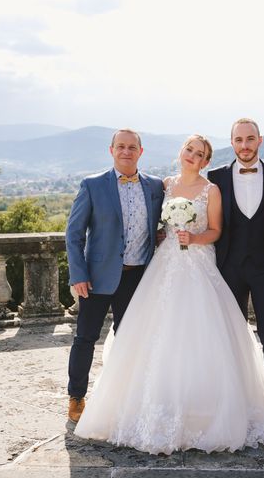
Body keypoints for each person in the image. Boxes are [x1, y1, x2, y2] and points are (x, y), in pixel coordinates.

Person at [74, 135, 264, 455]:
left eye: (199, 154)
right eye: (189, 150)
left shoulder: (211, 190)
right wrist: (163, 234)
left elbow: (216, 230)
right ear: (181, 152)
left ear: (206, 161)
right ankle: (105, 399)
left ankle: (204, 409)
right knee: (154, 334)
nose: (192, 156)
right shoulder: (164, 185)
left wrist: (195, 237)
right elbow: (150, 220)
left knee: (199, 333)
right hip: (165, 264)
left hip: (198, 264)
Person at [65, 129, 164, 423]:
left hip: (137, 278)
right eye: (120, 146)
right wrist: (78, 274)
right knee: (85, 338)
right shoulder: (93, 185)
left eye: (132, 147)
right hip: (96, 278)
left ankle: (126, 397)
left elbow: (160, 225)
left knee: (131, 340)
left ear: (141, 152)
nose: (126, 151)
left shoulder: (155, 187)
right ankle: (76, 396)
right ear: (111, 151)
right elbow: (73, 234)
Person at [207, 118, 264, 410]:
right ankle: (234, 401)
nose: (245, 145)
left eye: (250, 139)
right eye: (239, 140)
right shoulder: (215, 177)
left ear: (260, 141)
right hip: (228, 267)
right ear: (232, 143)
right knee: (231, 335)